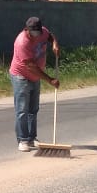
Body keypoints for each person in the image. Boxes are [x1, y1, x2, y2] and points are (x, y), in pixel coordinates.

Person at [9, 16, 60, 152]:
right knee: (22, 110)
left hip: (35, 77)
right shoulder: (22, 42)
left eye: (38, 32)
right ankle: (23, 140)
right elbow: (31, 66)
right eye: (33, 33)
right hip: (21, 76)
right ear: (27, 30)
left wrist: (54, 43)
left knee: (33, 109)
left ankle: (32, 138)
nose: (37, 35)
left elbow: (49, 36)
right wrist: (50, 80)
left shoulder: (42, 31)